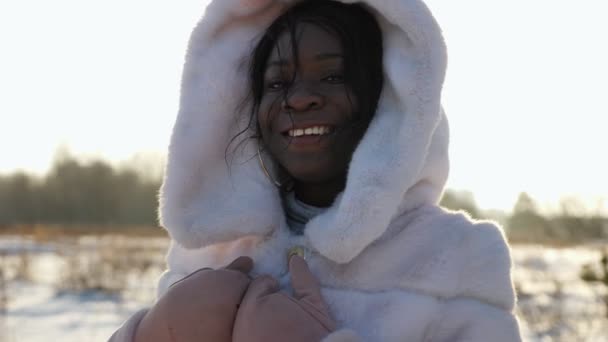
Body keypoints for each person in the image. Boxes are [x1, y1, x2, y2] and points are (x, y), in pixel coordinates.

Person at [111, 0, 522, 341]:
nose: (300, 98)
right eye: (276, 83)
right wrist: (151, 332)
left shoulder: (456, 256)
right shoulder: (215, 251)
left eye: (331, 75)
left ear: (390, 101)